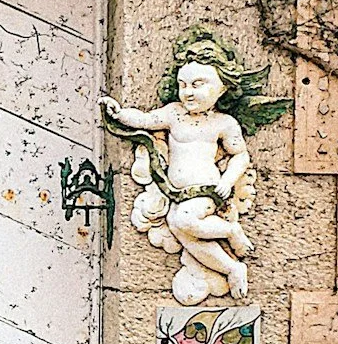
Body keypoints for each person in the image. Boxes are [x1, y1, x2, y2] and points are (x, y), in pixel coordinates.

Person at [101, 57, 255, 302]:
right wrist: (119, 114)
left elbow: (240, 155)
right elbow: (145, 120)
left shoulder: (224, 123)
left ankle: (231, 231)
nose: (188, 93)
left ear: (222, 87)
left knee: (183, 220)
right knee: (181, 228)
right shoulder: (174, 114)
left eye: (198, 84)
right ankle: (231, 268)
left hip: (206, 191)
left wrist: (227, 181)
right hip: (177, 193)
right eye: (183, 85)